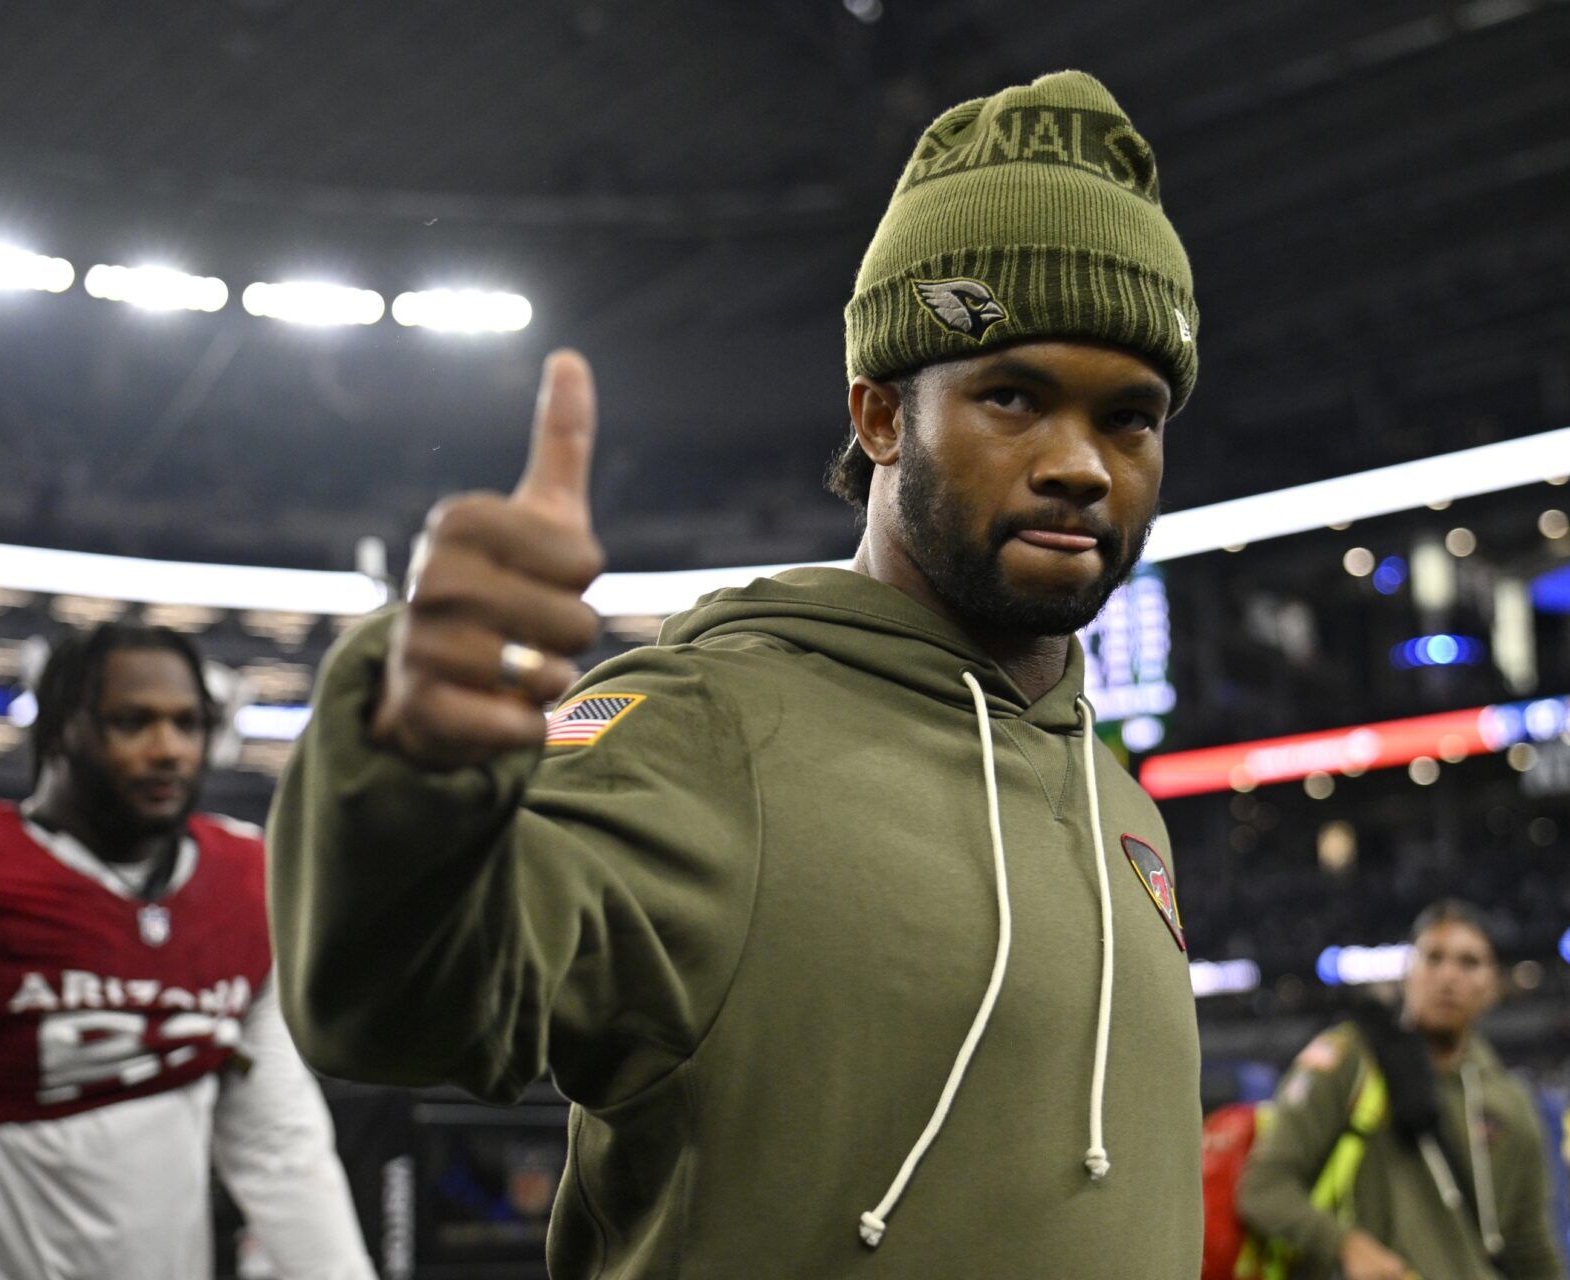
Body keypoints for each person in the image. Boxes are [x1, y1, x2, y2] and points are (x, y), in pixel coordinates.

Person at [269, 71, 1203, 1276]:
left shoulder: (1121, 805)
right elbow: (395, 1010)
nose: (1081, 463)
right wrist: (407, 778)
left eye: (1130, 417)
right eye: (1012, 395)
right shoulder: (701, 729)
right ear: (881, 417)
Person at [0, 624, 376, 1280]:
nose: (169, 749)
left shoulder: (244, 883)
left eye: (188, 724)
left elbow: (278, 1144)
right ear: (59, 731)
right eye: (133, 722)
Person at [1236, 900, 1564, 1280]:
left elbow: (1530, 1245)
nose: (1448, 977)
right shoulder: (1350, 1061)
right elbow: (1264, 1188)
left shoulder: (1510, 1103)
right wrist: (1344, 1244)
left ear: (1492, 985)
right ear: (1408, 973)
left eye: (1469, 962)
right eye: (1433, 958)